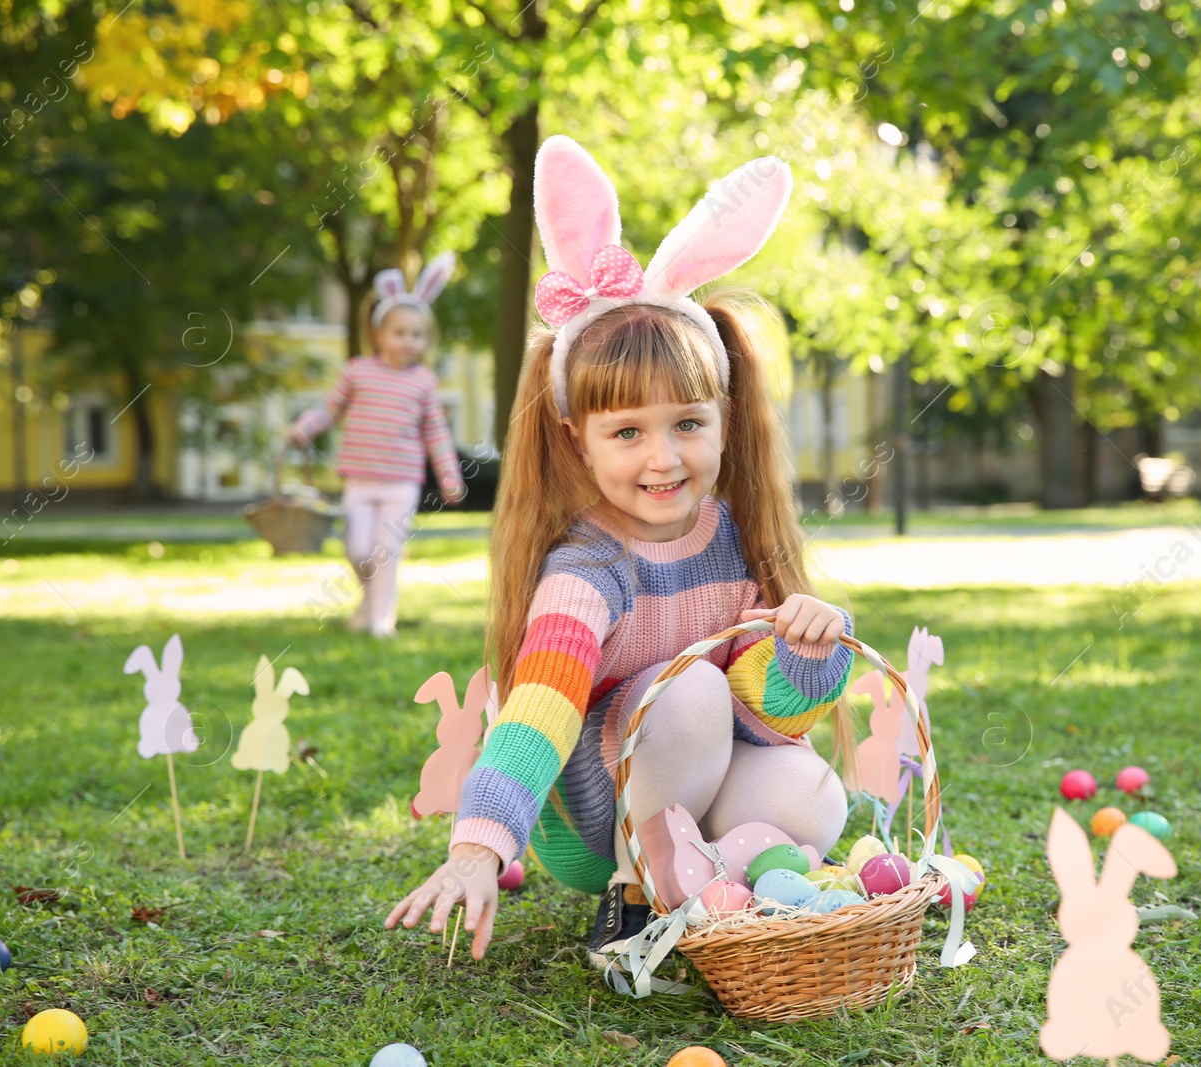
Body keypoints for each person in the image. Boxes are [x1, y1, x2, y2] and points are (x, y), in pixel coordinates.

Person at [385, 136, 856, 970]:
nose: (662, 458)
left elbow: (759, 714)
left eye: (687, 424)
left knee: (810, 797)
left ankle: (718, 884)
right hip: (598, 809)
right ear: (579, 439)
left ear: (723, 416)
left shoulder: (735, 541)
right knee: (693, 689)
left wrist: (806, 656)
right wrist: (480, 847)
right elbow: (541, 707)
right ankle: (635, 896)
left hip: (700, 759)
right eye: (628, 431)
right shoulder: (586, 569)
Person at [289, 253, 466, 637]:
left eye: (416, 335)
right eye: (399, 332)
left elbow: (436, 434)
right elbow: (329, 410)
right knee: (356, 549)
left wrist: (449, 476)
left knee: (387, 553)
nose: (408, 341)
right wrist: (305, 427)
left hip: (401, 481)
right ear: (378, 334)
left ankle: (381, 621)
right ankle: (369, 600)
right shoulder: (357, 371)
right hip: (360, 479)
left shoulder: (424, 382)